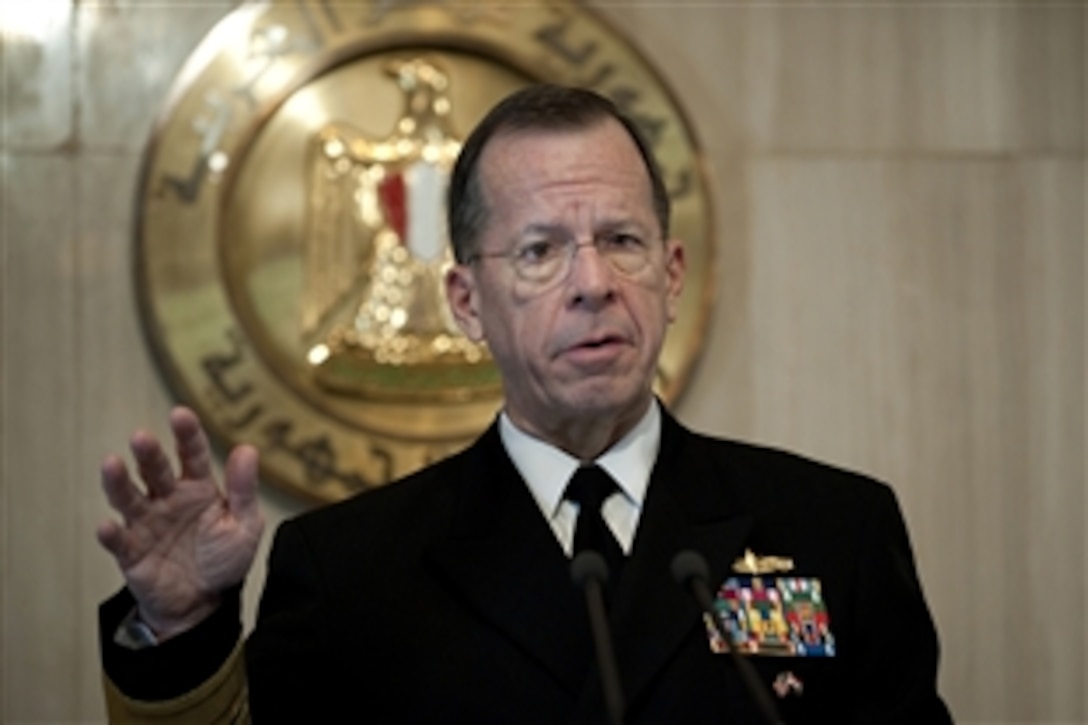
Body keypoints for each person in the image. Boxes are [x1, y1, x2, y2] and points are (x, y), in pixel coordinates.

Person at [97, 85, 953, 723]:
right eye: (541, 250)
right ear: (466, 302)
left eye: (622, 241)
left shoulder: (831, 531)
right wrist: (180, 631)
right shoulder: (347, 571)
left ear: (672, 273)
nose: (593, 284)